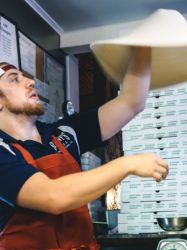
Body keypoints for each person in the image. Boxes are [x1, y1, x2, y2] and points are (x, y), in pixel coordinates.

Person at [0, 47, 168, 250]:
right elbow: (53, 197)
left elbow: (132, 102)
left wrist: (143, 49)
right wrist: (126, 164)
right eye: (14, 79)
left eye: (26, 77)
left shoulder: (63, 133)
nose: (30, 82)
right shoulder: (3, 151)